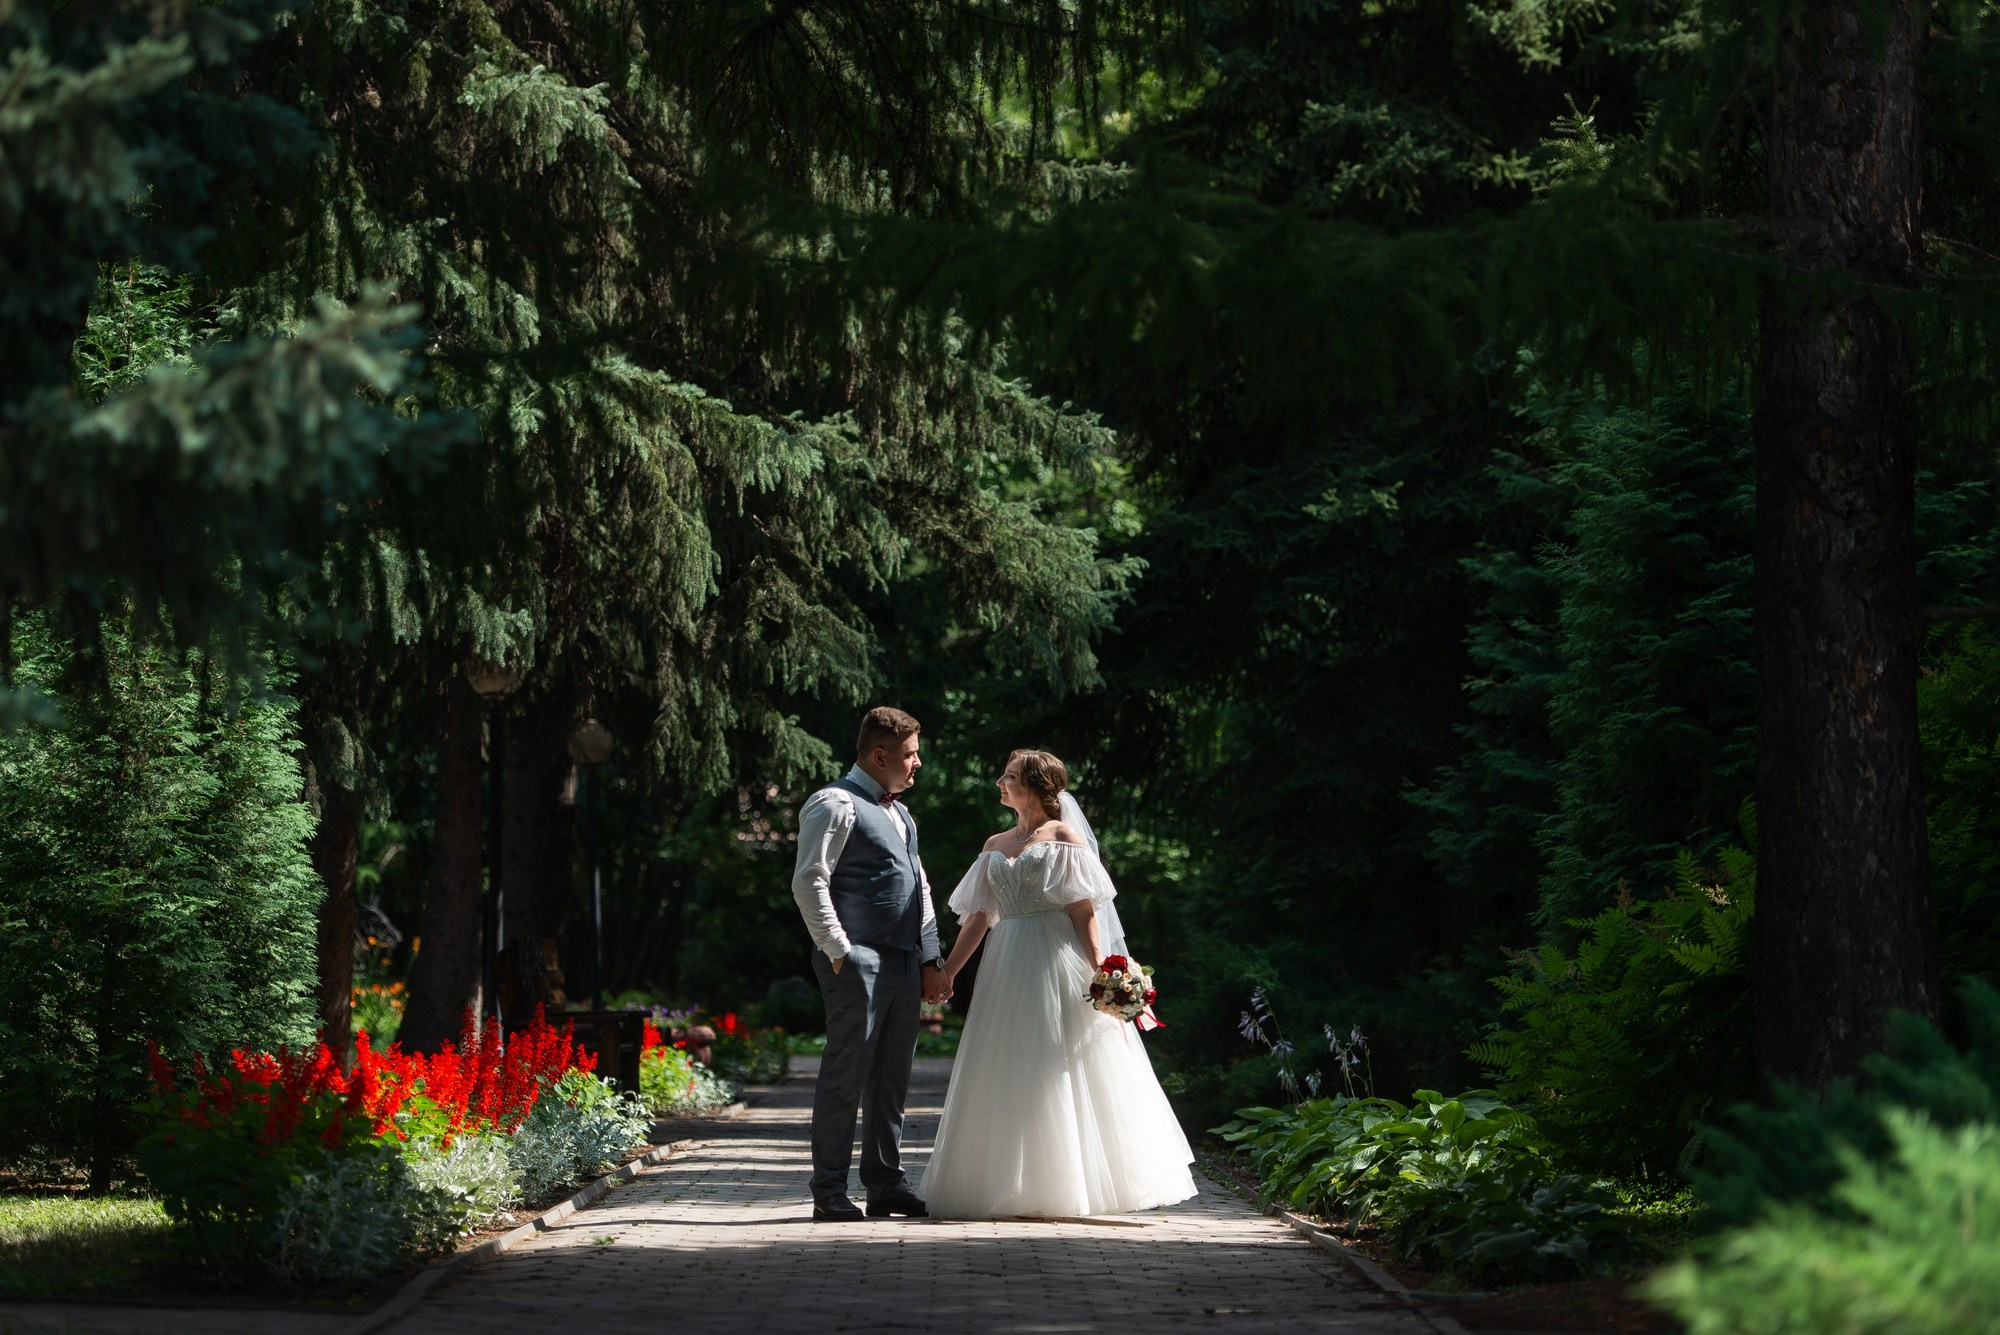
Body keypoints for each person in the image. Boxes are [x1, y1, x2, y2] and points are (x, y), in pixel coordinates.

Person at [920, 749, 1197, 1218]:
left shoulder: (1064, 836)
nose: (999, 783)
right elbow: (979, 918)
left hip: (1053, 956)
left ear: (1035, 786)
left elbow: (1082, 909)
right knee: (1006, 1060)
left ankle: (1065, 1183)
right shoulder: (994, 844)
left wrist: (1104, 970)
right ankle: (1004, 1182)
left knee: (1054, 1060)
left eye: (1008, 776)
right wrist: (948, 971)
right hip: (1005, 959)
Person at [790, 706, 951, 1221]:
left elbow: (920, 889)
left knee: (892, 1080)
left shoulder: (902, 813)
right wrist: (839, 950)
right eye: (909, 754)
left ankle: (885, 1185)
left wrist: (930, 956)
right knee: (846, 1075)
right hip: (856, 960)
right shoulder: (835, 803)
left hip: (904, 960)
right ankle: (830, 1192)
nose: (917, 763)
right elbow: (809, 879)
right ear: (880, 755)